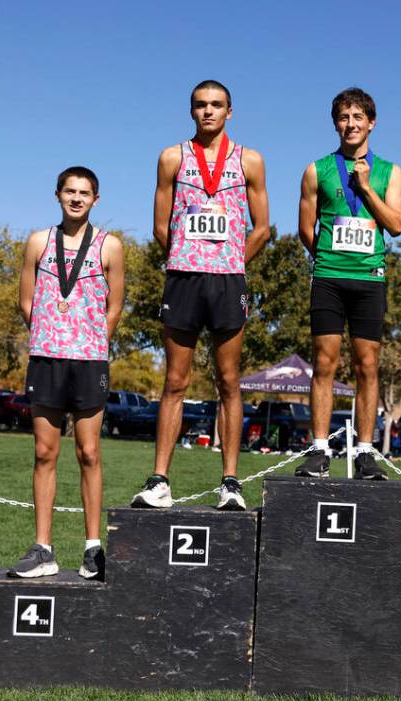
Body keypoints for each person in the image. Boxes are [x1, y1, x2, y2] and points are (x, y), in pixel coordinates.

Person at [132, 80, 270, 510]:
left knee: (229, 380)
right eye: (200, 105)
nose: (208, 112)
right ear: (191, 111)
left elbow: (262, 227)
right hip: (183, 278)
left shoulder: (250, 159)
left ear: (230, 111)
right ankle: (159, 481)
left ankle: (230, 482)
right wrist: (184, 257)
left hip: (228, 280)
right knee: (174, 381)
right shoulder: (172, 157)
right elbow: (160, 225)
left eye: (216, 105)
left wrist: (232, 260)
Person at [9, 166, 125, 580]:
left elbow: (115, 306)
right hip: (47, 357)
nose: (76, 198)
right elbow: (26, 300)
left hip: (89, 360)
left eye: (85, 192)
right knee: (44, 453)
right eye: (69, 191)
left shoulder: (110, 246)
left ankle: (93, 548)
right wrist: (48, 333)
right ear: (57, 195)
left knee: (89, 452)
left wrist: (92, 340)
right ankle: (43, 549)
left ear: (96, 199)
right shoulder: (38, 242)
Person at [295, 87, 401, 480]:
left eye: (358, 117)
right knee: (323, 363)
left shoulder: (390, 171)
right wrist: (328, 257)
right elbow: (306, 228)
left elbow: (395, 225)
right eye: (344, 117)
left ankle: (365, 451)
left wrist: (366, 189)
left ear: (371, 123)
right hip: (328, 277)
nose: (351, 124)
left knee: (368, 366)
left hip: (370, 280)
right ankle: (319, 448)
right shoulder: (317, 169)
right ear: (335, 123)